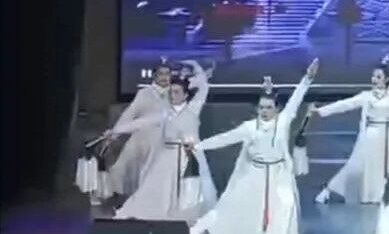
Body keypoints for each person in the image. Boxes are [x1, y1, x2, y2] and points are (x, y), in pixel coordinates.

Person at [189, 58, 319, 234]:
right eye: (261, 107)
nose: (264, 111)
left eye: (268, 107)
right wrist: (199, 146)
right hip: (254, 174)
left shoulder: (283, 121)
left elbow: (296, 98)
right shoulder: (249, 127)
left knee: (282, 209)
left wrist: (308, 78)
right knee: (244, 208)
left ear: (276, 109)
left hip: (279, 176)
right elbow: (225, 138)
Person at [311, 46, 389, 204]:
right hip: (373, 135)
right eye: (373, 76)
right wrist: (321, 111)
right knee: (357, 166)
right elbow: (345, 104)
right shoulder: (366, 96)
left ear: (386, 79)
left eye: (378, 77)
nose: (374, 79)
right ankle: (328, 191)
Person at [106, 62, 210, 223]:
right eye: (171, 92)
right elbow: (140, 123)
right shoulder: (165, 113)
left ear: (185, 95)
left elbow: (203, 88)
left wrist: (196, 66)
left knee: (187, 192)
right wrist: (115, 131)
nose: (172, 95)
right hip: (166, 157)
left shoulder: (193, 109)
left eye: (176, 92)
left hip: (188, 158)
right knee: (154, 188)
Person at [108, 60, 174, 196]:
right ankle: (120, 197)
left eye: (167, 74)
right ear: (155, 76)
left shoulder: (175, 93)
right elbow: (129, 114)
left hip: (165, 140)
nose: (164, 77)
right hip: (142, 138)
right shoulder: (144, 93)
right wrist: (114, 134)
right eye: (161, 74)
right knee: (121, 168)